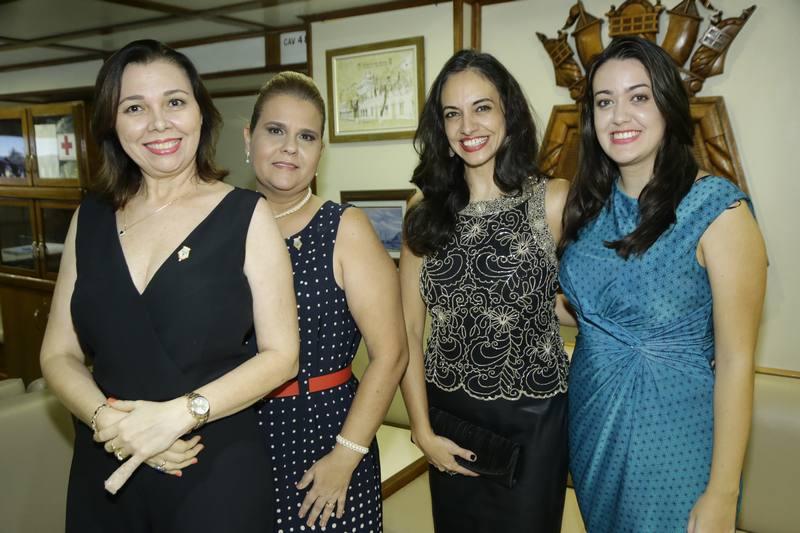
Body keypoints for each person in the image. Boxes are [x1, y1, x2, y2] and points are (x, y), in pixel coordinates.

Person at [39, 40, 299, 533]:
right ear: (113, 124)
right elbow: (58, 354)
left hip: (209, 464)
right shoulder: (88, 219)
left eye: (175, 102)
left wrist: (177, 417)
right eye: (135, 108)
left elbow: (282, 356)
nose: (159, 123)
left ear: (201, 113)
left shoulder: (246, 215)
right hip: (108, 461)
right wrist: (109, 422)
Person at [558, 36, 767, 532]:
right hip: (591, 424)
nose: (619, 116)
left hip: (675, 434)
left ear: (668, 106)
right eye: (604, 102)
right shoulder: (587, 208)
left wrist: (723, 492)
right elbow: (591, 311)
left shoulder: (716, 210)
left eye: (639, 97)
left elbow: (736, 361)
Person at [399, 50, 571, 532]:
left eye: (482, 107)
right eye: (452, 113)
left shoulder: (552, 199)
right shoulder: (422, 207)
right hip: (448, 416)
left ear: (508, 114)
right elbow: (408, 328)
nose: (467, 126)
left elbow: (572, 304)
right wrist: (421, 430)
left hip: (533, 418)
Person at [243, 71, 408, 532]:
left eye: (306, 136)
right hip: (238, 438)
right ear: (249, 138)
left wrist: (345, 456)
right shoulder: (223, 225)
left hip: (325, 437)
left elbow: (391, 353)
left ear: (320, 151)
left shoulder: (344, 228)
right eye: (275, 130)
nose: (289, 148)